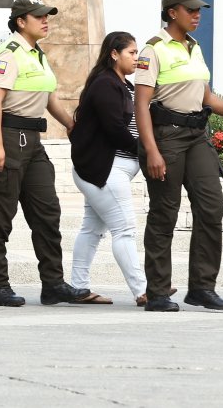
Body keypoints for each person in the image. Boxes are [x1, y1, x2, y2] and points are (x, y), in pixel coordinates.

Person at [136, 0, 223, 312]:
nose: (197, 15)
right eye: (191, 10)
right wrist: (152, 150)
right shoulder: (153, 50)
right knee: (164, 214)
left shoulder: (194, 47)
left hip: (196, 136)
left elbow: (206, 97)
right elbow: (140, 105)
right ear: (173, 12)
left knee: (212, 208)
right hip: (166, 136)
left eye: (199, 9)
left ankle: (201, 287)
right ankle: (157, 292)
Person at [0, 0, 85, 307]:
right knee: (0, 216)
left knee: (47, 212)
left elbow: (46, 95)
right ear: (21, 21)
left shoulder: (36, 54)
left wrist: (69, 123)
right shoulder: (9, 53)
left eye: (46, 15)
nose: (45, 20)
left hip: (32, 141)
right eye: (38, 16)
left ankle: (53, 284)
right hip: (9, 138)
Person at [68, 32, 147, 306]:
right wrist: (144, 150)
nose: (136, 58)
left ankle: (78, 288)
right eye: (132, 53)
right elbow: (114, 128)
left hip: (109, 169)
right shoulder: (105, 84)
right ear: (115, 54)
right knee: (124, 229)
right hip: (105, 169)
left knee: (91, 228)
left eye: (137, 53)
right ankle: (143, 291)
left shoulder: (124, 85)